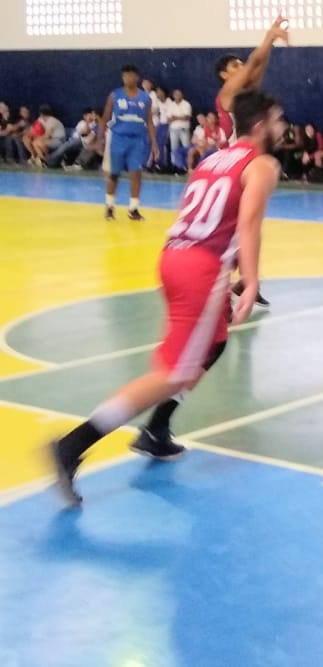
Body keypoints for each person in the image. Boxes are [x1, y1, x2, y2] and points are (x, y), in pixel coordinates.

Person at [50, 89, 287, 505]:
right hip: (201, 269)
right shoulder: (263, 164)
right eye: (278, 120)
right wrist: (250, 281)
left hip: (175, 257)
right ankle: (72, 445)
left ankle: (157, 430)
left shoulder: (214, 158)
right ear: (259, 126)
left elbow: (201, 214)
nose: (284, 127)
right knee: (172, 373)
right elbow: (248, 223)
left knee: (213, 343)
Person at [214, 15, 290, 306]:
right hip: (232, 166)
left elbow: (257, 66)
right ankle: (229, 281)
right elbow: (253, 63)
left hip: (240, 164)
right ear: (224, 74)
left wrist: (269, 45)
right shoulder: (228, 92)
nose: (241, 68)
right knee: (237, 225)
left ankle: (246, 280)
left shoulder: (244, 94)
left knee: (248, 224)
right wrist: (268, 38)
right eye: (234, 66)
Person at [102, 65, 158, 221]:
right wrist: (100, 139)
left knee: (136, 174)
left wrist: (154, 144)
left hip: (137, 140)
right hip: (118, 138)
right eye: (126, 76)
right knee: (114, 174)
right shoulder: (115, 95)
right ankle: (109, 207)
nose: (129, 78)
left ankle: (133, 209)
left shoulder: (145, 98)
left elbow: (150, 122)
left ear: (137, 78)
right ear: (123, 78)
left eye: (132, 76)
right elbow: (105, 118)